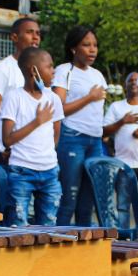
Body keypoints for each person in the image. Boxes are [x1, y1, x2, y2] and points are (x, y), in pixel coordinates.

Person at [0, 46, 64, 226]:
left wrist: (46, 156)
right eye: (49, 67)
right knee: (18, 224)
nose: (54, 71)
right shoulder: (14, 97)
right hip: (21, 171)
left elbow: (56, 135)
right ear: (33, 70)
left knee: (49, 223)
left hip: (50, 171)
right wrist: (37, 121)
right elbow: (7, 139)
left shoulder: (53, 99)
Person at [52, 26, 108, 225]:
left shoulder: (98, 75)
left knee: (89, 198)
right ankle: (58, 243)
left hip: (95, 140)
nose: (92, 50)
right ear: (74, 49)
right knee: (69, 196)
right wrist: (89, 97)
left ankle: (83, 247)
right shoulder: (64, 71)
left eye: (95, 45)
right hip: (72, 138)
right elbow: (59, 108)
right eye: (86, 45)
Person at [0, 16, 41, 158]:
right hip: (7, 154)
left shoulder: (39, 70)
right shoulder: (4, 69)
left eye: (38, 33)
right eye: (29, 32)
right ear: (14, 37)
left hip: (30, 153)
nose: (35, 37)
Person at [103, 71, 138, 204]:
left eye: (137, 80)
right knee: (123, 207)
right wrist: (122, 121)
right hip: (122, 165)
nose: (133, 82)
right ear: (125, 86)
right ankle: (123, 226)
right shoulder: (116, 106)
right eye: (130, 80)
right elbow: (103, 132)